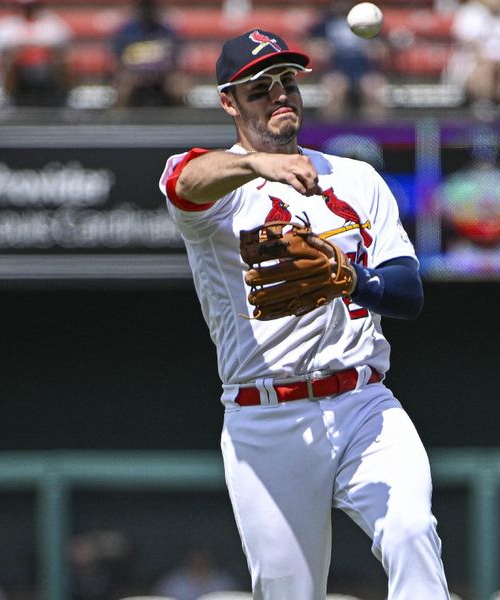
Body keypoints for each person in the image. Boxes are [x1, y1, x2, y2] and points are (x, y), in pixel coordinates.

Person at [157, 28, 450, 599]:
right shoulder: (222, 187)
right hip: (265, 416)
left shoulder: (355, 177)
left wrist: (353, 279)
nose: (279, 95)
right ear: (229, 102)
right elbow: (182, 183)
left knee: (412, 531)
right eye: (259, 88)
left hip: (364, 401)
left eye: (286, 81)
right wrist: (256, 166)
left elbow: (408, 291)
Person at [306, 0, 388, 119]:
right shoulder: (325, 22)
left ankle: (376, 134)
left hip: (365, 69)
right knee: (336, 91)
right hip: (335, 69)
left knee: (372, 91)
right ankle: (331, 133)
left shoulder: (368, 19)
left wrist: (375, 49)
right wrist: (322, 49)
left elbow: (382, 47)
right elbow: (312, 45)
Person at [0, 0, 73, 107]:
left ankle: (65, 99)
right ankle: (8, 99)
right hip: (18, 68)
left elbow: (64, 49)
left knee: (63, 61)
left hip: (47, 67)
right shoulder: (5, 26)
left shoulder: (53, 24)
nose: (28, 10)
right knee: (11, 60)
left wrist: (41, 52)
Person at [111, 0, 189, 107]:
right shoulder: (127, 31)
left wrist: (160, 72)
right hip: (134, 75)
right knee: (124, 84)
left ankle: (182, 122)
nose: (148, 12)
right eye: (145, 8)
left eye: (151, 8)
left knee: (178, 85)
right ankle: (118, 121)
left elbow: (177, 57)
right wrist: (136, 73)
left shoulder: (167, 31)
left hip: (163, 76)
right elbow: (118, 58)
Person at [153, 546, 243, 600]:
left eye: (203, 557)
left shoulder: (224, 582)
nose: (199, 561)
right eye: (195, 558)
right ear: (188, 558)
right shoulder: (172, 583)